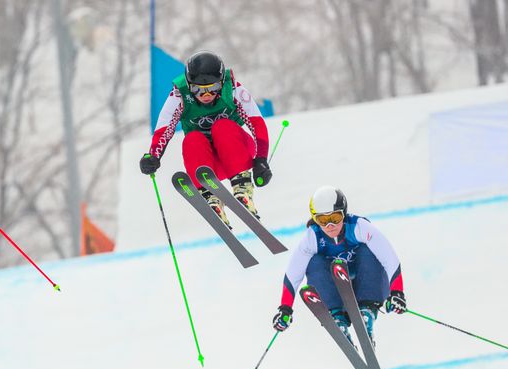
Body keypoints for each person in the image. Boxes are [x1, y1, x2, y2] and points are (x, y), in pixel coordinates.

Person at [139, 51, 272, 225]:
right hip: (209, 164)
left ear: (221, 83)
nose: (206, 95)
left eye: (212, 88)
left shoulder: (232, 89)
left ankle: (242, 187)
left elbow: (256, 123)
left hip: (237, 154)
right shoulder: (180, 95)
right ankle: (210, 194)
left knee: (222, 126)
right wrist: (153, 155)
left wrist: (261, 159)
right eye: (198, 90)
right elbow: (164, 128)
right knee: (192, 139)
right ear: (189, 85)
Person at [271, 186, 407, 346]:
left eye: (335, 218)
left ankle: (367, 312)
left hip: (367, 287)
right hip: (335, 291)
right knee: (314, 262)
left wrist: (397, 292)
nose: (329, 225)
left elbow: (389, 258)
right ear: (315, 219)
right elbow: (293, 274)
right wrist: (285, 309)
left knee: (367, 250)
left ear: (344, 213)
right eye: (322, 220)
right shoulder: (312, 238)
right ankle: (337, 317)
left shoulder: (359, 227)